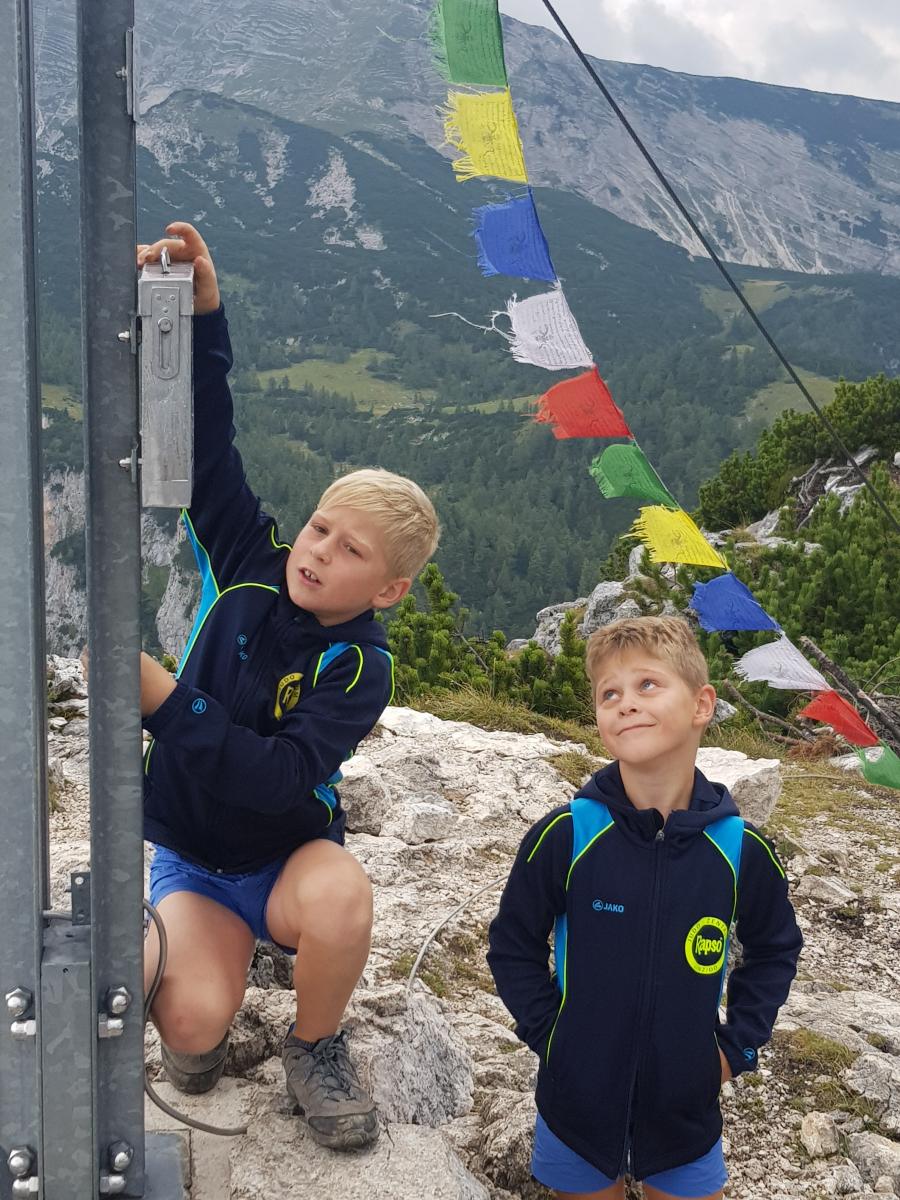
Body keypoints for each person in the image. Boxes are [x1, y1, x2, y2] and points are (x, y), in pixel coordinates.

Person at [138, 222, 440, 1151]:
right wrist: (204, 315)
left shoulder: (360, 665)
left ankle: (314, 1044)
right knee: (193, 1028)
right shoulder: (248, 562)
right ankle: (208, 982)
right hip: (191, 856)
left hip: (280, 863)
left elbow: (278, 779)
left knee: (342, 895)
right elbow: (206, 443)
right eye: (319, 528)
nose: (318, 552)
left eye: (351, 551)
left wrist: (164, 703)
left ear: (388, 591)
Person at [487, 615, 802, 1199]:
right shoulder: (567, 835)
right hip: (575, 1112)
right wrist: (552, 1037)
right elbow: (511, 944)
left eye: (648, 684)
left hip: (686, 1117)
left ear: (702, 704)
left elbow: (776, 949)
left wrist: (735, 1048)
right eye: (609, 694)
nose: (626, 703)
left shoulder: (739, 849)